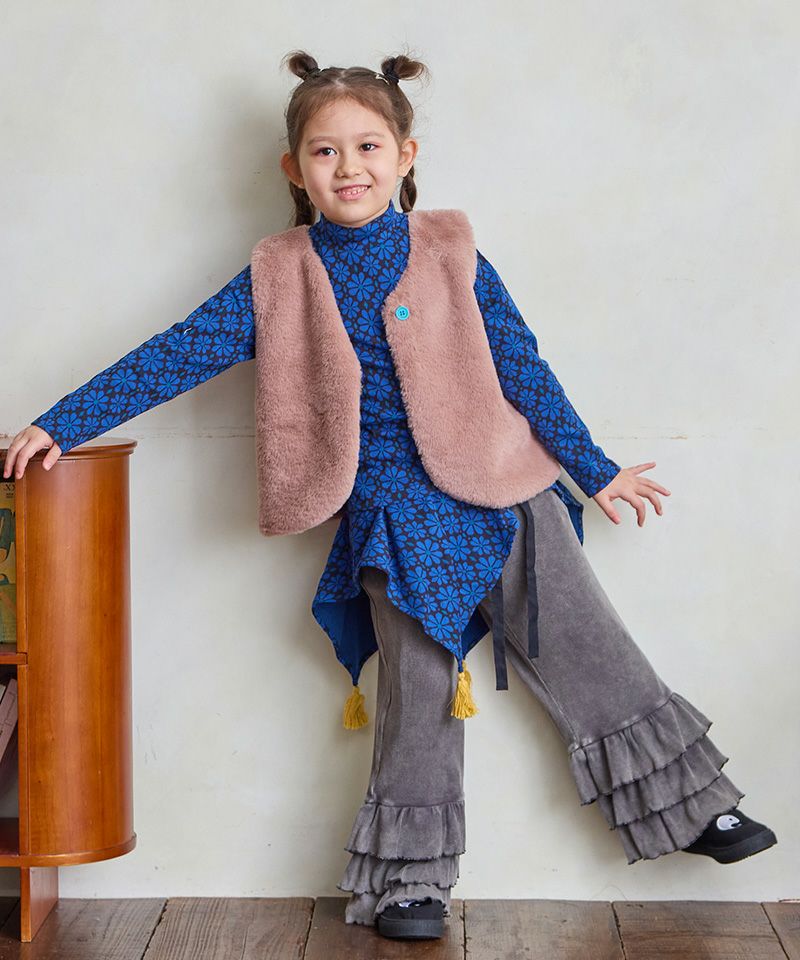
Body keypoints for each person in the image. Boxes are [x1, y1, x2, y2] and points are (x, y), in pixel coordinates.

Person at [2, 48, 777, 942]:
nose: (349, 168)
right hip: (392, 519)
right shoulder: (278, 274)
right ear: (294, 169)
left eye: (368, 146)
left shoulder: (450, 249)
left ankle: (694, 806)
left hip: (507, 494)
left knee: (585, 641)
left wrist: (596, 472)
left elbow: (522, 367)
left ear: (405, 156)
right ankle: (411, 882)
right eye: (325, 151)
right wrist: (62, 420)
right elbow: (172, 353)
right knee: (417, 692)